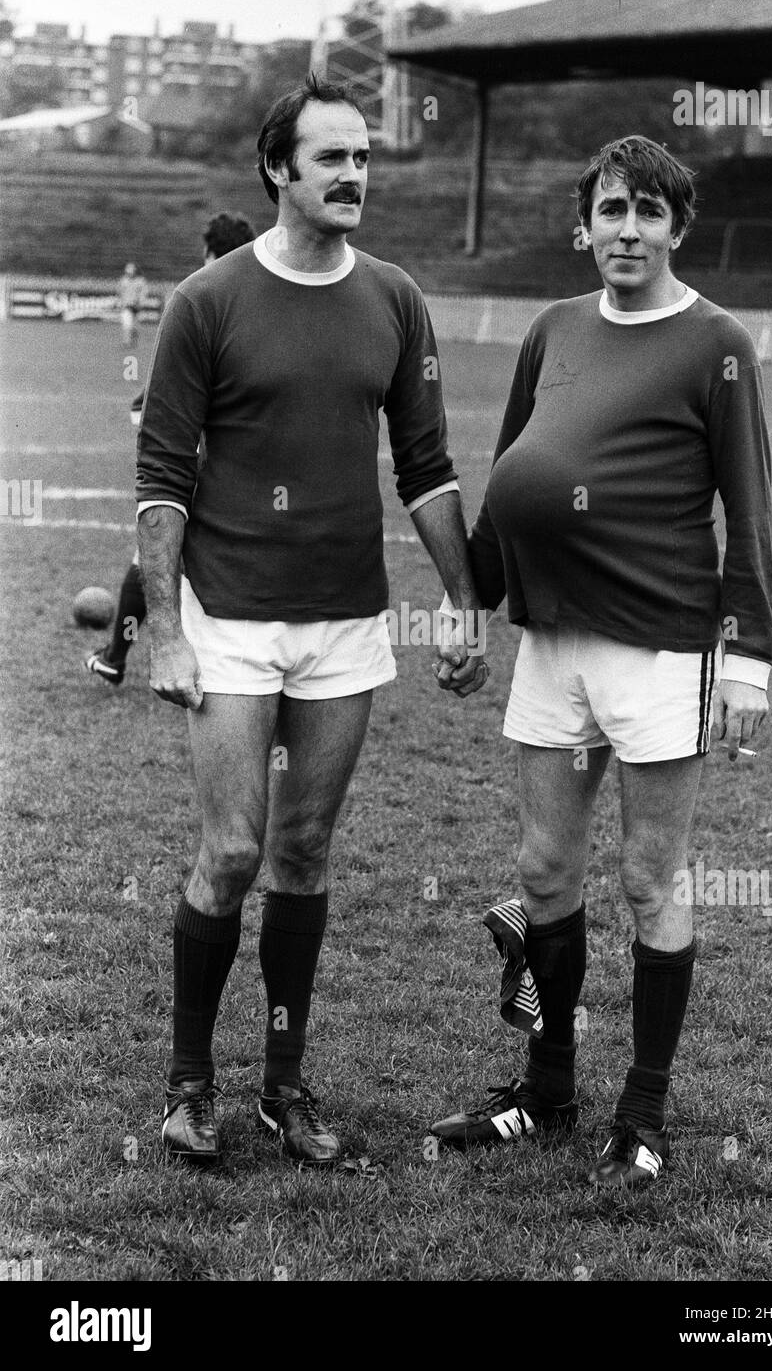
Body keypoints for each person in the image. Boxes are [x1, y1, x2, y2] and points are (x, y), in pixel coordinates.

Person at [135, 75, 486, 1166]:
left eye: (364, 157)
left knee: (303, 849)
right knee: (233, 846)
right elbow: (161, 477)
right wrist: (164, 628)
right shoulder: (208, 300)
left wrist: (463, 597)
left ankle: (286, 1083)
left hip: (345, 626)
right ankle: (191, 1082)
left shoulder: (394, 297)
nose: (353, 175)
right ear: (277, 169)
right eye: (330, 157)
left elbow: (424, 468)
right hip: (230, 615)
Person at [430, 135, 772, 1188]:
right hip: (551, 637)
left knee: (649, 877)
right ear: (587, 222)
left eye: (649, 214)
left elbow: (749, 508)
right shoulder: (553, 328)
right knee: (544, 870)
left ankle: (646, 1109)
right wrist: (468, 601)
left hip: (661, 646)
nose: (628, 231)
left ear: (678, 227)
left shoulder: (716, 341)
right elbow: (511, 472)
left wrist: (749, 656)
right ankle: (547, 1087)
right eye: (613, 210)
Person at [86, 214, 257, 686]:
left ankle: (117, 658)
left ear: (208, 254)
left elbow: (153, 405)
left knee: (153, 556)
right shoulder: (265, 304)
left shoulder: (198, 300)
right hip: (251, 474)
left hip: (194, 466)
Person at [118, 262, 148, 349]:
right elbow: (120, 293)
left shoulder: (141, 281)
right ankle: (126, 342)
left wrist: (140, 303)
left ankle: (134, 340)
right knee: (126, 324)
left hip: (137, 306)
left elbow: (143, 293)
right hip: (127, 306)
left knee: (135, 326)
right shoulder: (123, 281)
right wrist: (122, 303)